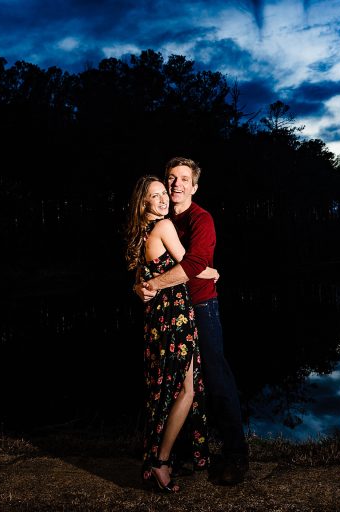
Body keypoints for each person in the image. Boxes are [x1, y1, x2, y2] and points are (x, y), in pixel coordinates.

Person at [134, 157, 249, 486]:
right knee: (181, 384)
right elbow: (145, 263)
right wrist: (141, 285)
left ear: (194, 187)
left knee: (215, 377)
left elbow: (195, 261)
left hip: (201, 305)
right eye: (172, 177)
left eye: (184, 178)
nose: (176, 184)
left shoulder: (202, 219)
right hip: (172, 310)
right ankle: (184, 453)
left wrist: (155, 284)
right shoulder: (163, 220)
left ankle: (236, 455)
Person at [124, 175, 217, 492]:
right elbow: (192, 264)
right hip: (174, 316)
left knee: (165, 389)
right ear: (144, 203)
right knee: (185, 389)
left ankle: (160, 458)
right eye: (155, 195)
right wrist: (213, 271)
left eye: (165, 192)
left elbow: (142, 281)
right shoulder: (163, 228)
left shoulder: (141, 236)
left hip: (157, 321)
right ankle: (160, 463)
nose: (164, 198)